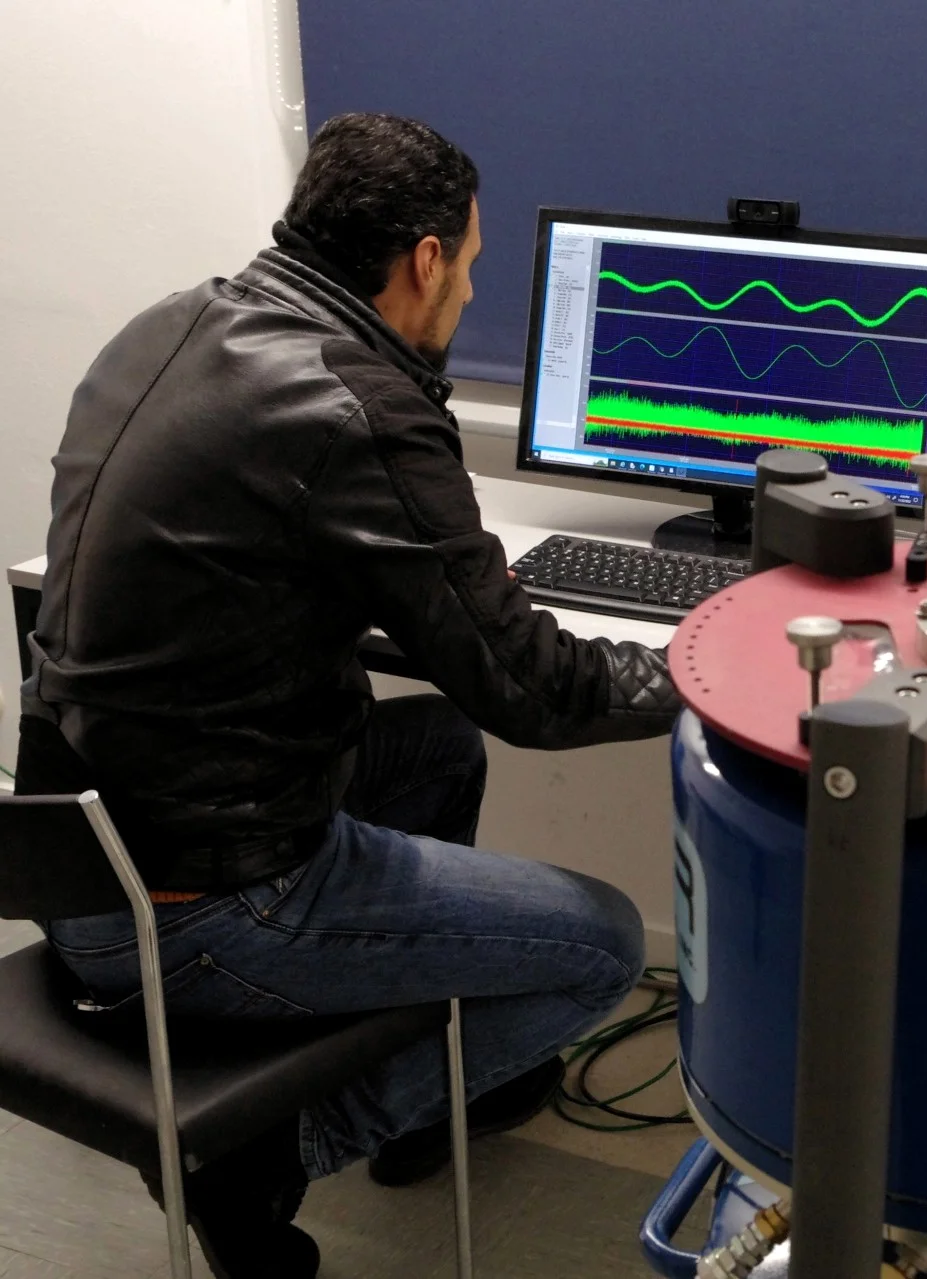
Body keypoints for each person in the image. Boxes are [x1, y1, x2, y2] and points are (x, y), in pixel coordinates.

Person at [14, 114, 680, 1278]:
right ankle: (272, 1150)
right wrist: (707, 669)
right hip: (195, 905)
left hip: (78, 856)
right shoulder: (356, 404)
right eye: (468, 266)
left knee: (440, 746)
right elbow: (534, 689)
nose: (468, 292)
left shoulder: (169, 325)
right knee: (604, 945)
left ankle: (430, 1069)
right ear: (422, 259)